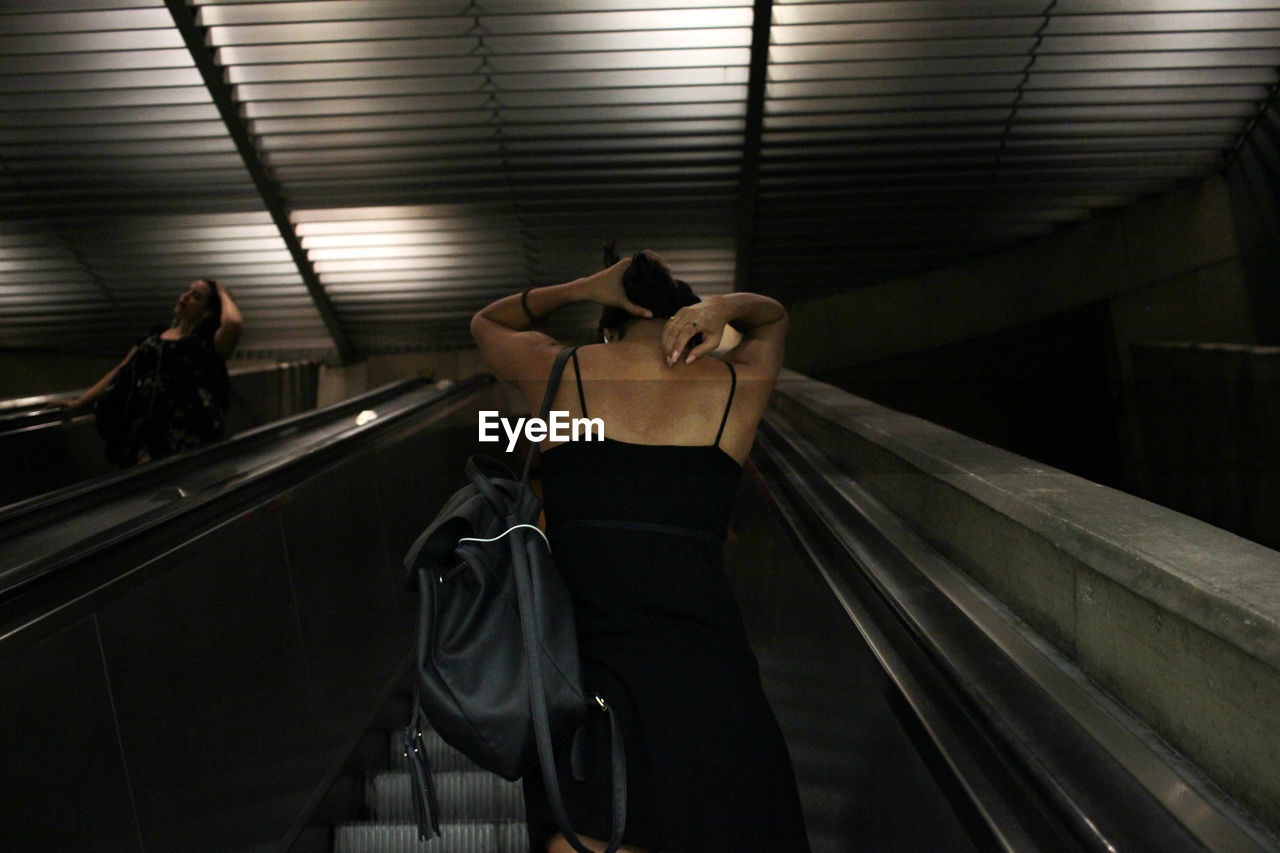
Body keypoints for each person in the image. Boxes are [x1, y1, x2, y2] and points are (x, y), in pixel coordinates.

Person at [470, 249, 810, 853]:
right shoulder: (733, 384)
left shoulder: (563, 372)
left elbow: (488, 323)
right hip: (707, 666)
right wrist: (725, 308)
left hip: (585, 662)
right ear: (693, 323)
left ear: (610, 323)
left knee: (592, 829)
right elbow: (774, 318)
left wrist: (582, 284)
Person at [57, 278, 243, 466]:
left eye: (196, 296)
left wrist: (222, 292)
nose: (186, 297)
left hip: (189, 437)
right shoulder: (155, 335)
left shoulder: (208, 343)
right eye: (187, 291)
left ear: (207, 311)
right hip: (146, 434)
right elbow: (122, 370)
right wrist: (80, 402)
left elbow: (233, 323)